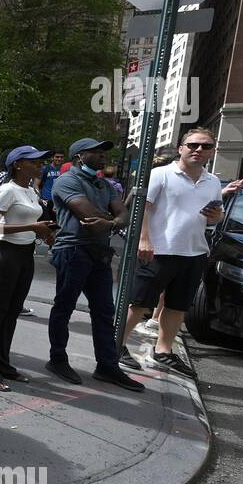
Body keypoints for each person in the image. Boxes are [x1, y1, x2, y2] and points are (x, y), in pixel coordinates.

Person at [119, 128, 229, 380]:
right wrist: (144, 240)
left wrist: (217, 216)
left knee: (177, 306)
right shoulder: (161, 174)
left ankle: (163, 351)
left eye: (206, 146)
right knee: (140, 303)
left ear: (212, 151)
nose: (198, 150)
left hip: (194, 252)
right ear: (181, 148)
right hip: (159, 250)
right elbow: (143, 207)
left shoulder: (212, 181)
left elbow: (214, 216)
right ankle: (116, 345)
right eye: (193, 145)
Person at [45, 138, 144, 392]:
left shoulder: (104, 184)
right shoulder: (67, 181)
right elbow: (87, 214)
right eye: (96, 152)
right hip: (73, 250)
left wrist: (110, 222)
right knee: (64, 306)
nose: (102, 156)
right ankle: (57, 359)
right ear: (79, 156)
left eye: (103, 152)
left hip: (99, 253)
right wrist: (114, 219)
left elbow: (124, 215)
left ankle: (107, 366)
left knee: (103, 311)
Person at [0, 147, 57, 390]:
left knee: (11, 312)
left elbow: (31, 224)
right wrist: (33, 227)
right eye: (35, 161)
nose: (41, 164)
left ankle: (2, 363)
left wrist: (45, 232)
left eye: (41, 160)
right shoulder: (7, 190)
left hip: (24, 255)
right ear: (18, 164)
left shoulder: (31, 189)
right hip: (5, 254)